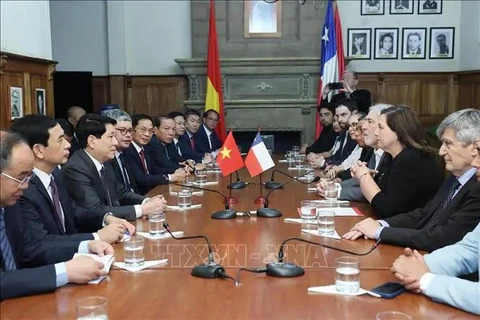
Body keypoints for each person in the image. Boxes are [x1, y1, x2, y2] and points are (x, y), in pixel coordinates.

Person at [343, 109, 480, 252]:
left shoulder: (476, 187)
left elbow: (444, 237)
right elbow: (424, 214)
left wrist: (380, 232)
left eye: (448, 143)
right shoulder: (455, 178)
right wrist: (380, 225)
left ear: (473, 148)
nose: (441, 151)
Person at [0, 131, 114, 300]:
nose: (25, 186)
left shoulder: (9, 204)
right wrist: (64, 272)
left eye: (28, 176)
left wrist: (87, 246)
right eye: (20, 178)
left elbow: (30, 249)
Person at [11, 115, 134, 243]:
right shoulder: (23, 189)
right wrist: (96, 238)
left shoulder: (55, 175)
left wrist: (106, 218)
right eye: (60, 140)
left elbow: (73, 211)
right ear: (38, 150)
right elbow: (39, 244)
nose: (68, 145)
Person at [62, 114, 167, 220]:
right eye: (111, 137)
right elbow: (95, 209)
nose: (115, 142)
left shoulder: (105, 160)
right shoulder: (76, 169)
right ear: (92, 141)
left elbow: (120, 193)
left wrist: (147, 201)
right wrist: (142, 209)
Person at [349, 105, 443, 218]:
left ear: (398, 132)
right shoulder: (390, 156)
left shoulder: (411, 160)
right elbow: (380, 195)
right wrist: (367, 175)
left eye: (381, 127)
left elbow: (385, 209)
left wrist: (363, 177)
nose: (376, 132)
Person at [124, 114, 185, 195]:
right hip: (139, 196)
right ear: (132, 131)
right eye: (143, 130)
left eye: (150, 131)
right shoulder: (127, 150)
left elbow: (154, 169)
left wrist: (177, 172)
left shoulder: (145, 148)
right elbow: (141, 179)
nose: (147, 134)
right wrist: (170, 177)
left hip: (152, 192)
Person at [308, 99, 359, 168]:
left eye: (343, 115)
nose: (340, 120)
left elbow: (347, 162)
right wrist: (321, 160)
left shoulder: (356, 135)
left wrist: (323, 162)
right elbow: (336, 157)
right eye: (337, 116)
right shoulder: (345, 133)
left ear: (354, 113)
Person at [102, 109, 141, 194]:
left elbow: (134, 186)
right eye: (122, 130)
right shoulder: (105, 158)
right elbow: (118, 195)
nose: (128, 135)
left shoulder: (127, 153)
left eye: (130, 131)